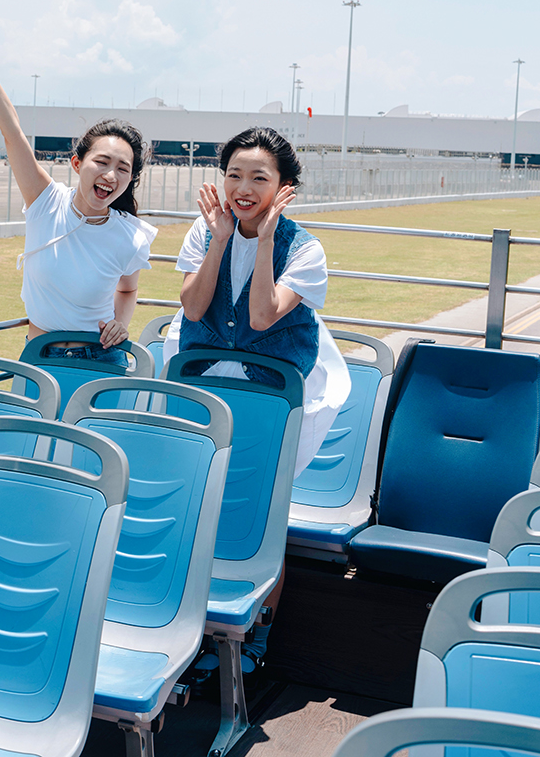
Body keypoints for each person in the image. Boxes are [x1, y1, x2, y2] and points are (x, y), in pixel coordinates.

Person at [164, 126, 351, 678]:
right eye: (234, 175)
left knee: (262, 516)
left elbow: (264, 316)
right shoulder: (204, 233)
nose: (243, 188)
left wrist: (264, 239)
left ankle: (255, 631)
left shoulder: (305, 249)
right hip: (207, 393)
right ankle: (194, 628)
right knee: (199, 509)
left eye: (259, 178)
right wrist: (220, 240)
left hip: (272, 401)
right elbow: (195, 310)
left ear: (283, 187)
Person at [0, 7, 156, 365]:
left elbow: (128, 287)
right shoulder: (46, 201)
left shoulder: (131, 235)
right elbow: (12, 134)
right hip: (37, 357)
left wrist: (121, 324)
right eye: (101, 162)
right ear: (77, 164)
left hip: (101, 360)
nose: (111, 175)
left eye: (123, 168)